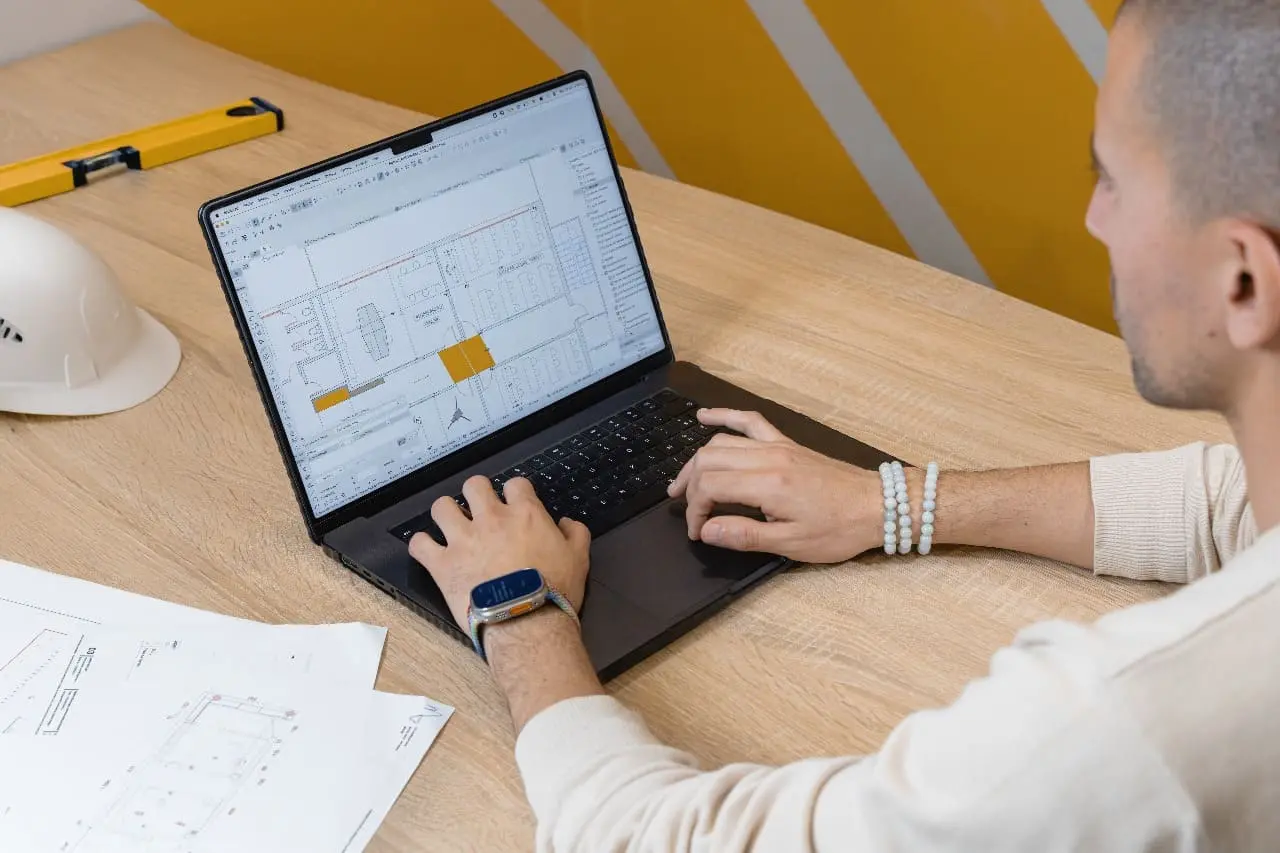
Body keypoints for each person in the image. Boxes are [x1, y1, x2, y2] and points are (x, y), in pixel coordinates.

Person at [409, 1, 1280, 849]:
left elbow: (645, 837)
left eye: (1112, 180)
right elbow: (1222, 503)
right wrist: (889, 503)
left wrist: (518, 606)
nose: (1094, 218)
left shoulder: (1131, 725)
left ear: (1243, 278)